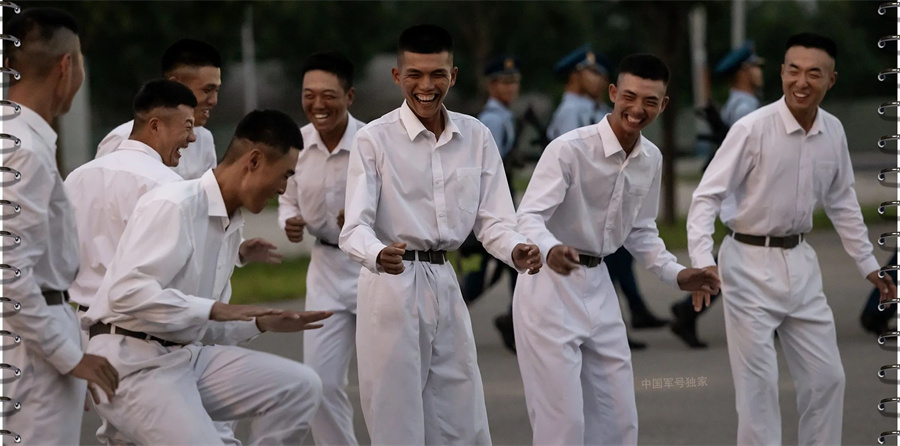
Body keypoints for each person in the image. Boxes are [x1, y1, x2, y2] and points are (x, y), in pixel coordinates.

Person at [687, 33, 897, 445]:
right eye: (794, 71)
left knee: (827, 379)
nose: (802, 82)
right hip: (746, 262)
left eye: (814, 73)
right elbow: (705, 196)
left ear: (831, 80)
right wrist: (701, 260)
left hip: (801, 263)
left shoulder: (832, 132)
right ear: (782, 73)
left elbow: (842, 202)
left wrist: (869, 265)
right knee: (758, 387)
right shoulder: (752, 128)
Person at [339, 24, 542, 444]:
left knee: (460, 413)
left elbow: (493, 220)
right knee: (397, 418)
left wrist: (516, 249)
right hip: (391, 286)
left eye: (437, 74)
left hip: (445, 284)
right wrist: (378, 254)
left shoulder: (476, 136)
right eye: (415, 74)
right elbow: (354, 227)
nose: (426, 86)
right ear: (398, 77)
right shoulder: (373, 140)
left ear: (454, 76)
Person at [81, 110, 329, 444]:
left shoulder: (230, 222)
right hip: (130, 364)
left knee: (300, 387)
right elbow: (125, 294)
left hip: (184, 358)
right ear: (254, 161)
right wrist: (215, 308)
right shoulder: (175, 204)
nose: (283, 189)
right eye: (284, 175)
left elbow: (195, 321)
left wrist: (261, 322)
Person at [514, 53, 721, 446]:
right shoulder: (569, 149)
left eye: (650, 101)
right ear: (613, 93)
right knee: (563, 427)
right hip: (549, 291)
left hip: (600, 289)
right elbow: (527, 217)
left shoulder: (651, 159)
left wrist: (678, 273)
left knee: (619, 422)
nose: (637, 109)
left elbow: (641, 230)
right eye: (629, 96)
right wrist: (551, 248)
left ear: (664, 105)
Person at [3, 8, 120, 445]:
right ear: (67, 66)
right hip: (29, 348)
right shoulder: (25, 151)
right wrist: (70, 357)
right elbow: (10, 273)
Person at [548, 45, 668, 349]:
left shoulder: (589, 107)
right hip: (581, 204)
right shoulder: (573, 111)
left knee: (615, 257)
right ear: (575, 76)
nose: (598, 80)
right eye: (592, 73)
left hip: (603, 202)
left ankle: (626, 315)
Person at [277, 51, 365, 446]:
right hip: (325, 270)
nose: (317, 104)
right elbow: (286, 196)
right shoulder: (294, 144)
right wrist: (289, 221)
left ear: (349, 96)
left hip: (374, 271)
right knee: (320, 381)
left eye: (328, 95)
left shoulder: (372, 143)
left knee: (391, 379)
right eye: (308, 94)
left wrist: (366, 221)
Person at [670, 41, 765, 348]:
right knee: (744, 258)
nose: (759, 72)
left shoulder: (742, 104)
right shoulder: (745, 107)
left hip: (744, 193)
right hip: (747, 194)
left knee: (742, 260)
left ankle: (688, 312)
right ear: (742, 73)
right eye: (754, 67)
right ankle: (688, 312)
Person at [461, 54, 522, 353]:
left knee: (508, 266)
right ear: (491, 85)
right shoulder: (492, 121)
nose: (511, 88)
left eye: (514, 82)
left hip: (501, 201)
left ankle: (513, 320)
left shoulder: (504, 117)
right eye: (504, 82)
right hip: (489, 207)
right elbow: (484, 169)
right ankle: (442, 318)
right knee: (482, 272)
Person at [96, 38, 220, 180]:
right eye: (207, 90)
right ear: (176, 84)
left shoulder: (204, 139)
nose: (214, 101)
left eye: (217, 90)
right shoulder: (120, 140)